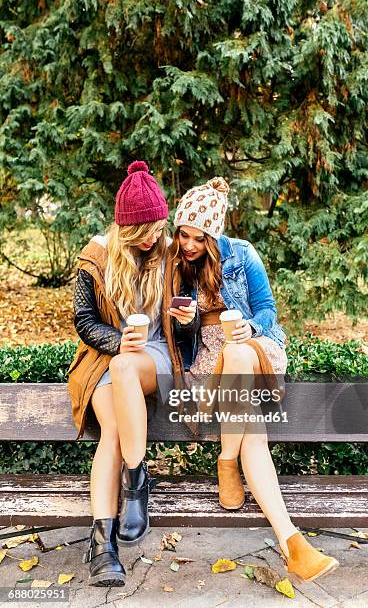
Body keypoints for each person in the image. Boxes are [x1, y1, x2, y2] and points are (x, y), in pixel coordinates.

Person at [163, 176, 339, 582]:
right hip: (210, 359)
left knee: (240, 351)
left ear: (214, 235)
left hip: (255, 349)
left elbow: (267, 311)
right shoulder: (175, 263)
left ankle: (227, 460)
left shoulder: (243, 255)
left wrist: (250, 329)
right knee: (255, 435)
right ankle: (292, 543)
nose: (188, 244)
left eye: (197, 237)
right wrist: (186, 324)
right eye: (183, 235)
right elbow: (178, 338)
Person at [68, 161, 173, 587]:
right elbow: (83, 319)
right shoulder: (95, 257)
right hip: (104, 356)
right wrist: (115, 341)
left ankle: (136, 480)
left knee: (127, 365)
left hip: (155, 355)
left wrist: (183, 317)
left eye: (158, 226)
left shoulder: (168, 252)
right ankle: (103, 545)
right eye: (145, 229)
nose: (153, 236)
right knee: (110, 427)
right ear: (125, 228)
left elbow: (192, 315)